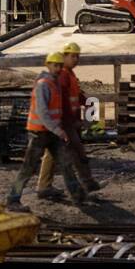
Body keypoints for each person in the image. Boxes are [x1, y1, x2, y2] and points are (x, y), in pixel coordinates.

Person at [6, 52, 87, 211]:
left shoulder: (55, 83)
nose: (57, 68)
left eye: (59, 65)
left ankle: (77, 195)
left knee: (66, 164)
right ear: (48, 65)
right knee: (28, 168)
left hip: (52, 132)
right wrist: (58, 130)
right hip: (39, 133)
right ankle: (13, 199)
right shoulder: (44, 84)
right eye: (55, 65)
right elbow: (42, 112)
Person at [35, 42, 100, 199]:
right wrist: (71, 121)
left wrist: (88, 102)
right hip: (65, 122)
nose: (76, 59)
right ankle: (85, 186)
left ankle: (44, 187)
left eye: (78, 56)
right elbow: (62, 101)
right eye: (72, 56)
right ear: (64, 57)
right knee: (76, 154)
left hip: (68, 122)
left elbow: (75, 95)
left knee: (54, 154)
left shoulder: (69, 75)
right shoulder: (63, 75)